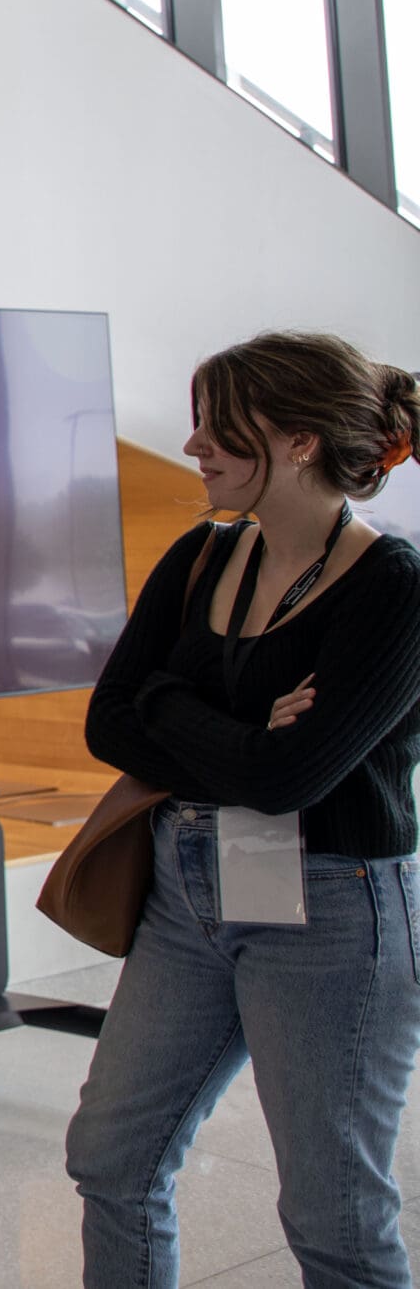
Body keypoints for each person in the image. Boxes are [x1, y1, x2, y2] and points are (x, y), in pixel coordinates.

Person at [68, 330, 420, 1289]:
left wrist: (171, 704)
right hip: (186, 895)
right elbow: (110, 721)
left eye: (218, 426)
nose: (194, 447)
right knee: (111, 1159)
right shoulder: (203, 554)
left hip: (334, 907)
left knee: (334, 1217)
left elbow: (288, 779)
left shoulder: (393, 585)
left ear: (300, 440)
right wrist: (238, 728)